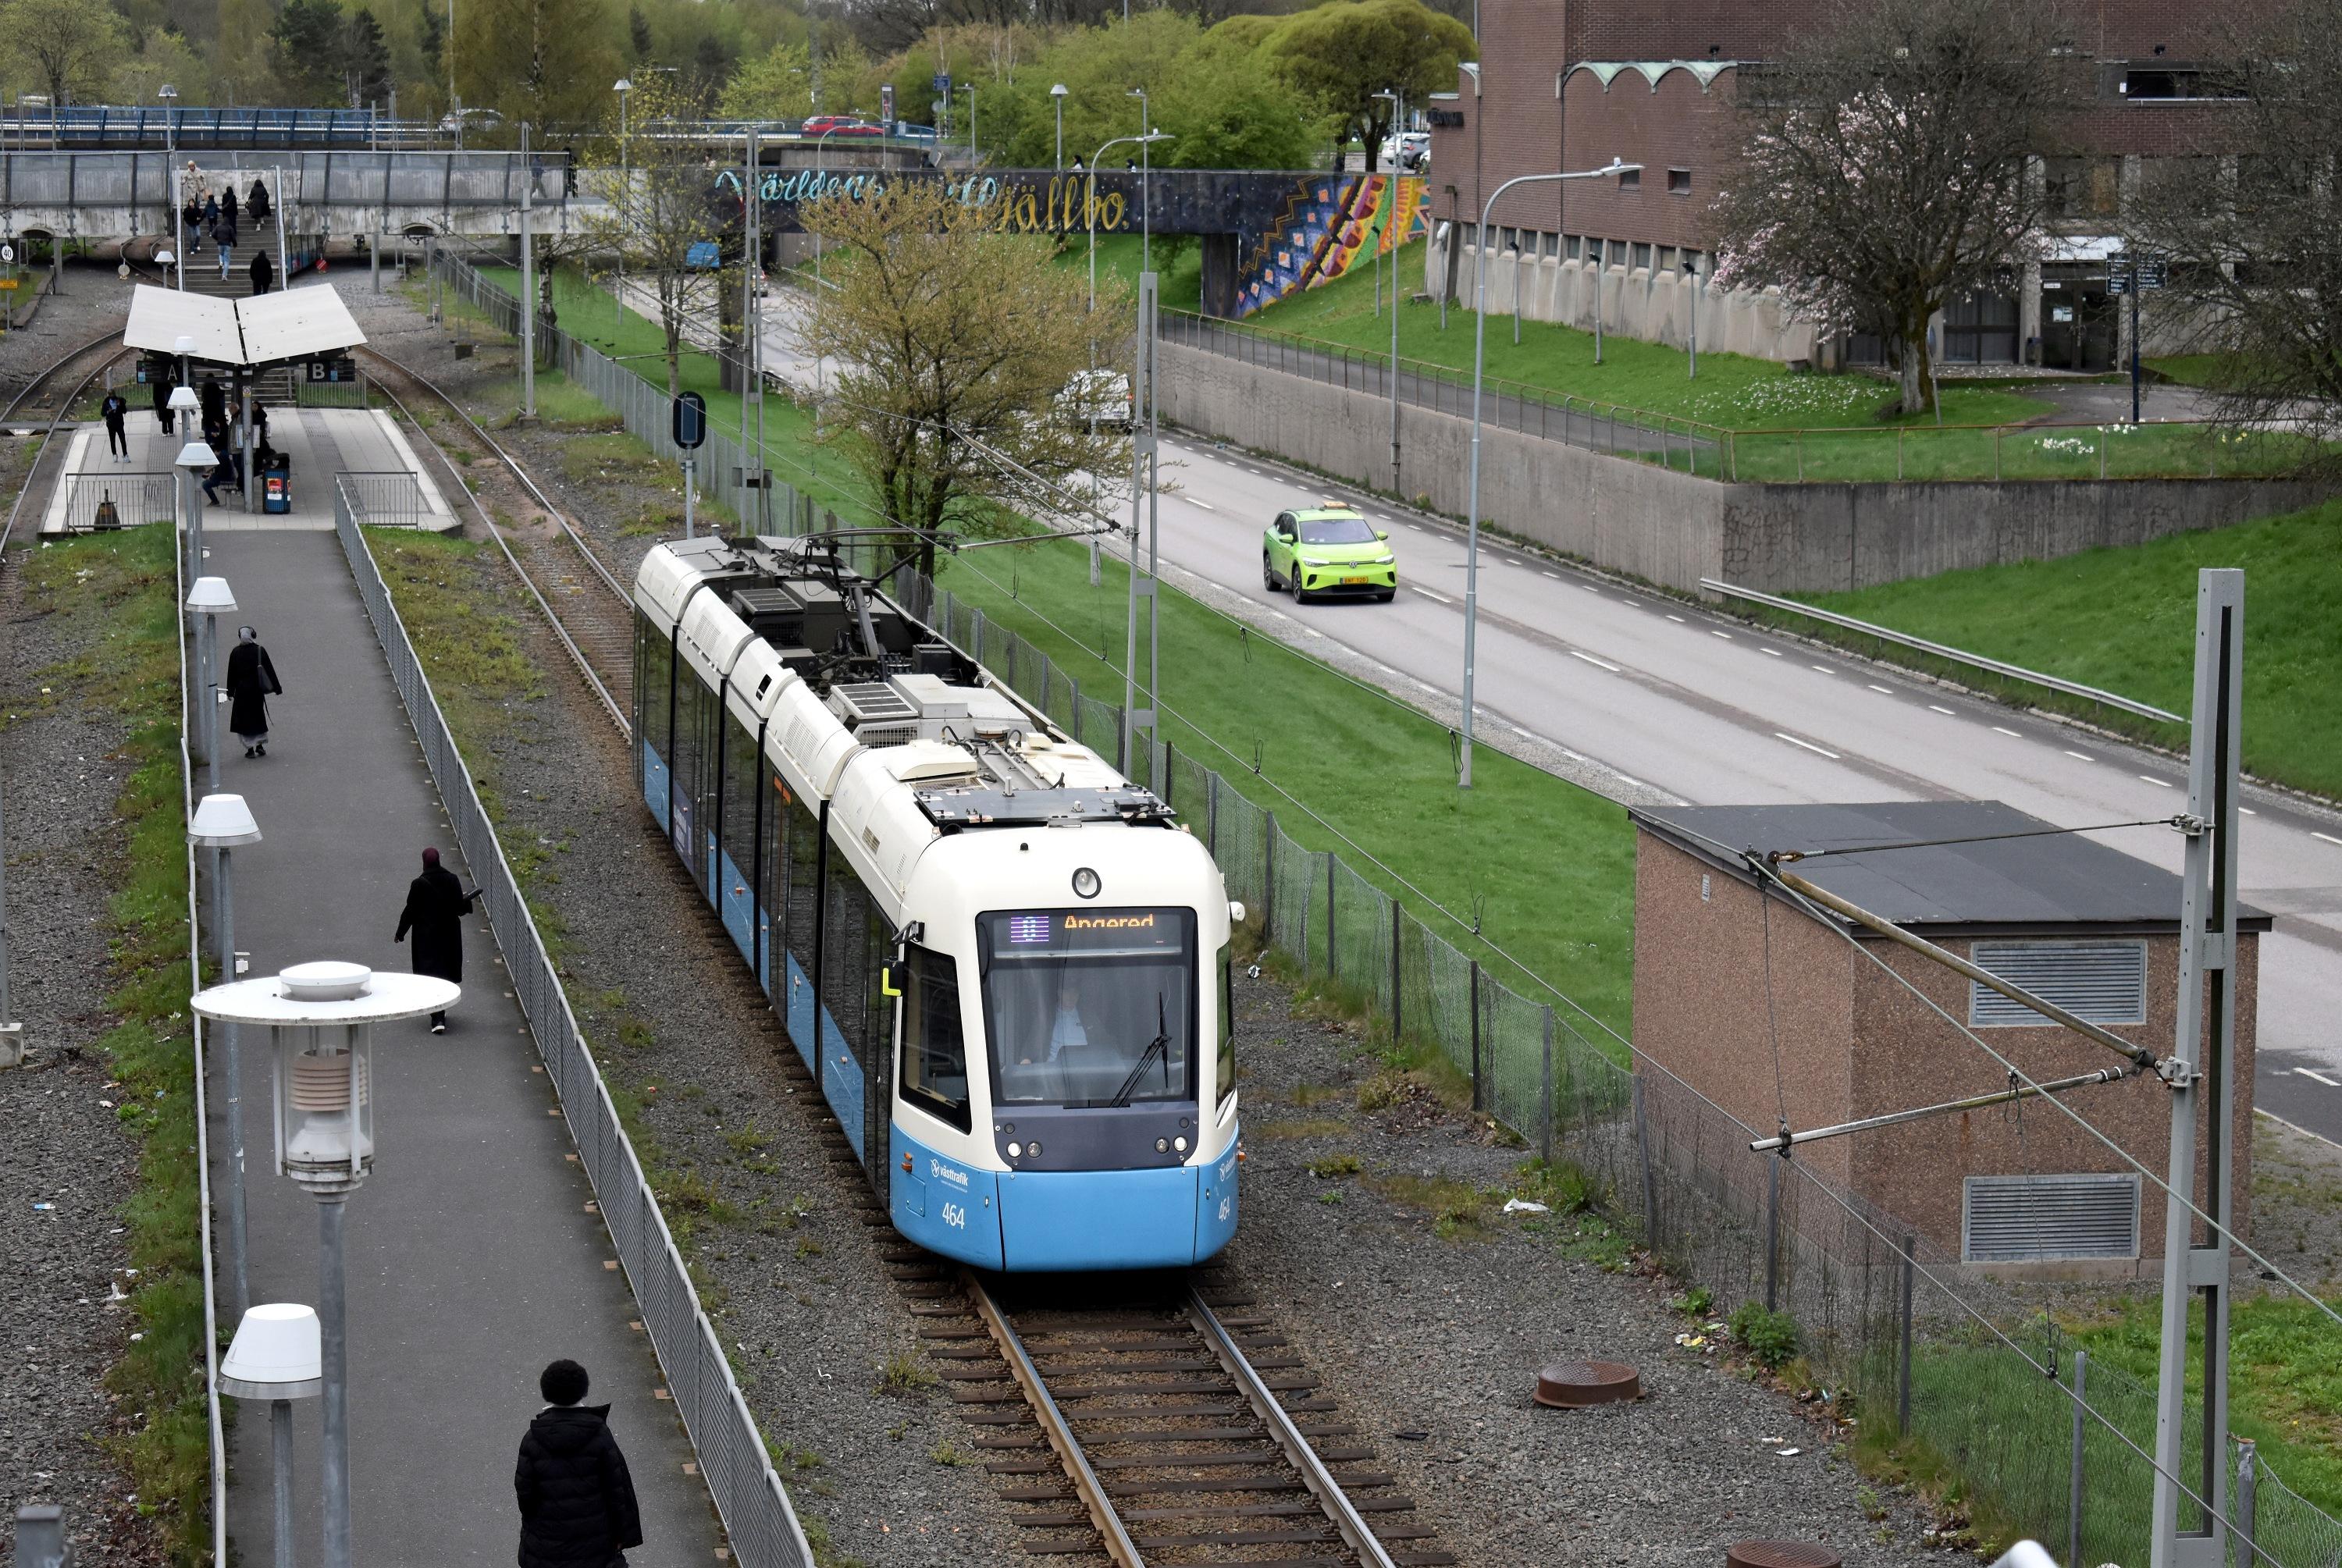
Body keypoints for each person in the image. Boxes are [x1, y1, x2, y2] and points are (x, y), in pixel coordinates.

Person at [513, 1360, 643, 1568]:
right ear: (584, 1391)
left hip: (545, 1546)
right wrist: (621, 1535)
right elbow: (617, 1492)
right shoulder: (600, 1435)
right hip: (594, 1545)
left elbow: (525, 1496)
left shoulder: (533, 1439)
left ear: (546, 1392)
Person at [395, 846, 479, 1033]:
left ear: (424, 862)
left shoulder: (418, 884)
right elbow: (459, 908)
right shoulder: (452, 880)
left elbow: (410, 911)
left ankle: (437, 1017)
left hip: (425, 939)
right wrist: (466, 901)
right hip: (448, 936)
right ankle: (440, 1013)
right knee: (444, 974)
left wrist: (401, 932)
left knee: (430, 975)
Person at [224, 625, 281, 759]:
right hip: (256, 692)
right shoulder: (259, 650)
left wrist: (230, 692)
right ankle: (260, 746)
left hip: (242, 693)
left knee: (244, 721)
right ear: (253, 635)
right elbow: (269, 670)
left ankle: (249, 749)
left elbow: (231, 674)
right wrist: (277, 688)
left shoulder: (235, 652)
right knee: (258, 717)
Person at [100, 389, 129, 461]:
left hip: (119, 423)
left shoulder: (120, 400)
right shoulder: (106, 403)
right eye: (110, 395)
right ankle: (114, 454)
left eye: (113, 394)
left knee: (122, 439)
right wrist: (108, 412)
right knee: (112, 440)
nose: (112, 396)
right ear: (109, 395)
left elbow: (124, 411)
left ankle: (125, 454)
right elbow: (103, 413)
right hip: (111, 424)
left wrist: (120, 406)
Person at [151, 369, 177, 436]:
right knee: (170, 418)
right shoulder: (166, 381)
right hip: (168, 402)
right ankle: (171, 431)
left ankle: (165, 431)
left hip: (161, 402)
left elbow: (155, 394)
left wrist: (156, 404)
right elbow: (171, 390)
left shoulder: (156, 383)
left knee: (164, 418)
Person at [215, 215, 237, 283]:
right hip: (227, 245)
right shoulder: (230, 228)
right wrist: (235, 244)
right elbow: (233, 237)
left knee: (221, 254)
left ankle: (221, 262)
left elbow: (213, 234)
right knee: (227, 260)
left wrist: (218, 239)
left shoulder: (218, 226)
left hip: (220, 244)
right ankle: (224, 276)